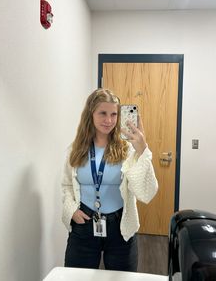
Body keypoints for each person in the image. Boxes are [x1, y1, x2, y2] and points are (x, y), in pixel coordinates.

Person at [61, 88, 158, 272]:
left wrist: (142, 150)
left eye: (114, 114)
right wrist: (71, 210)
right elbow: (66, 185)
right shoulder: (75, 150)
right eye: (103, 113)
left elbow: (146, 193)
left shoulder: (127, 150)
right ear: (91, 114)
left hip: (120, 226)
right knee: (76, 277)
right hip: (84, 224)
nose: (109, 120)